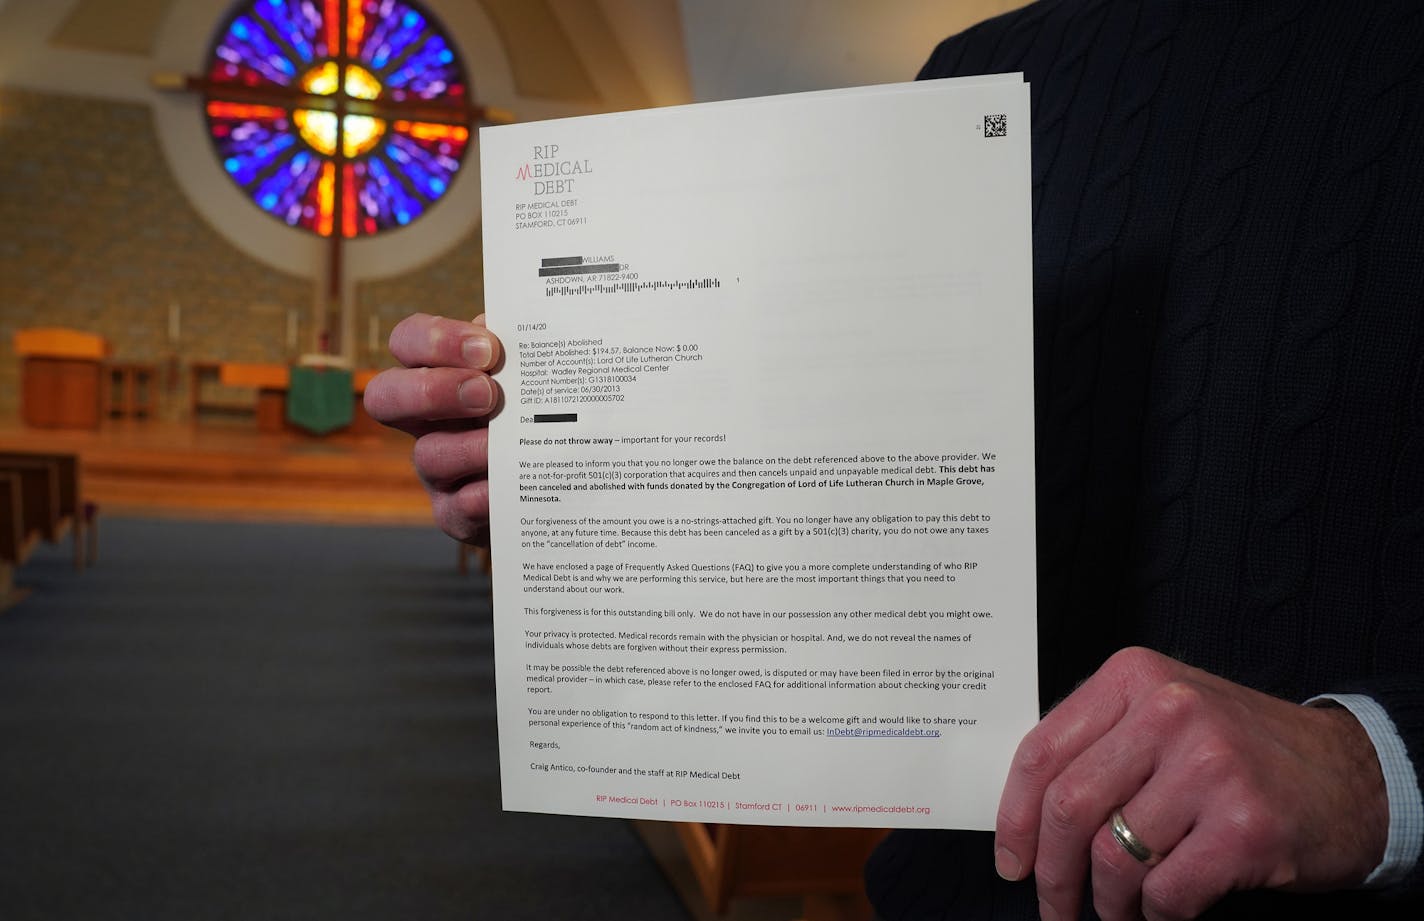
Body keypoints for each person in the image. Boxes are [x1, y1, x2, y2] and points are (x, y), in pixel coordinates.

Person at [364, 1, 1423, 917]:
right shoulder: (977, 75)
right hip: (955, 892)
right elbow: (865, 510)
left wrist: (1370, 770)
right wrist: (591, 489)